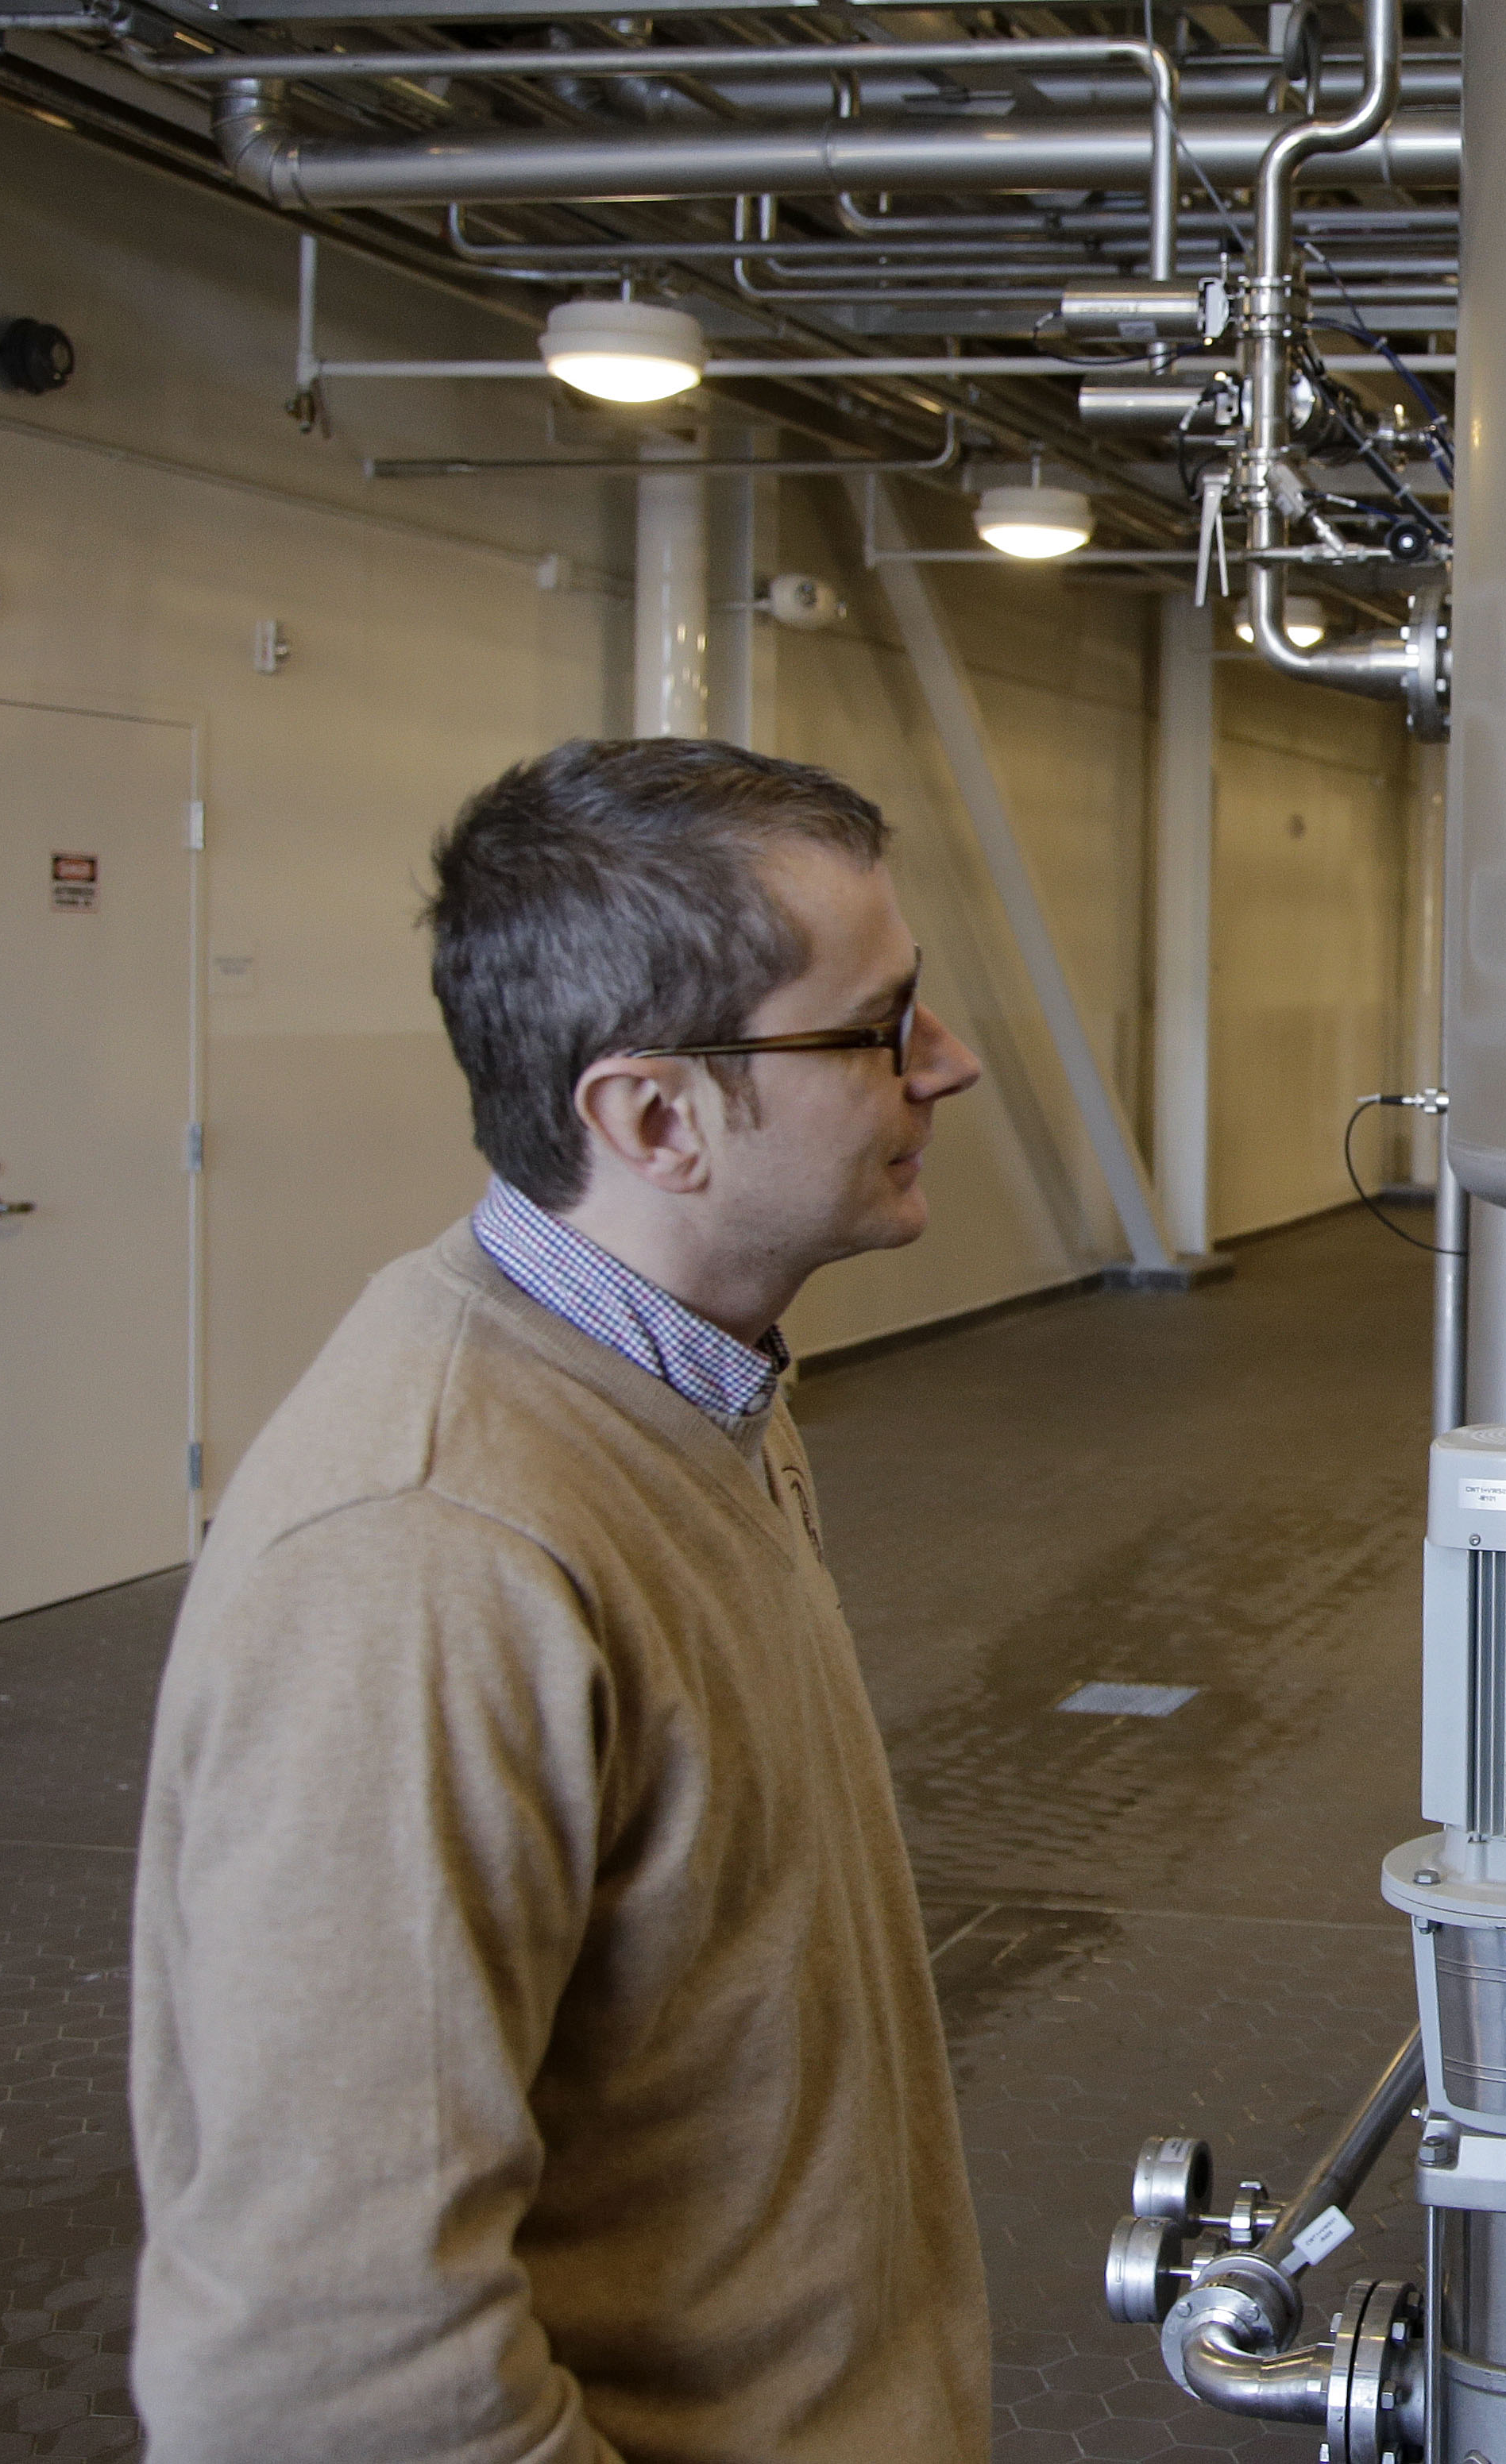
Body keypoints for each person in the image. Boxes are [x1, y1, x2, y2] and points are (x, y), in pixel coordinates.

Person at [131, 739, 990, 2464]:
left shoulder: (690, 1388)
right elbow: (328, 2374)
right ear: (653, 1117)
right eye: (877, 1026)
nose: (947, 1065)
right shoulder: (432, 1549)